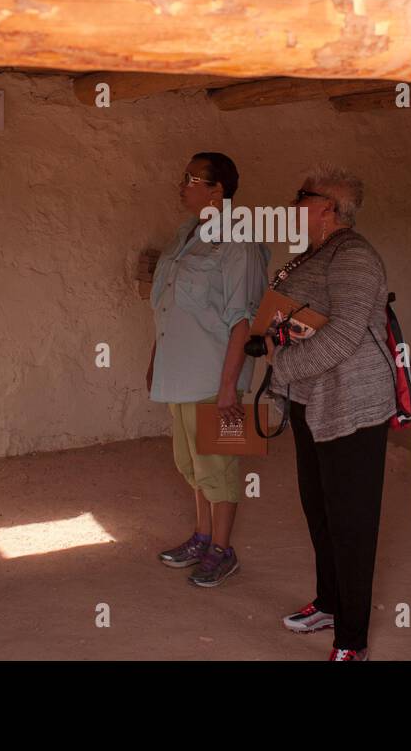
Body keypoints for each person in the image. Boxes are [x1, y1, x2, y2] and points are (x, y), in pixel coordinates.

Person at [262, 164, 396, 660]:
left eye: (301, 197)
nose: (293, 205)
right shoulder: (313, 254)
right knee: (319, 510)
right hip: (311, 400)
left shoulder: (355, 256)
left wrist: (285, 364)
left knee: (352, 521)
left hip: (351, 404)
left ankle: (352, 640)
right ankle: (330, 603)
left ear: (328, 209)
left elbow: (343, 335)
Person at [147, 152, 269, 588]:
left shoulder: (241, 239)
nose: (182, 184)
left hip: (216, 375)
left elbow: (244, 319)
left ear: (218, 190)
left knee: (219, 467)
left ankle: (223, 548)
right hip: (179, 371)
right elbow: (169, 307)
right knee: (192, 464)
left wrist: (228, 388)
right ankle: (202, 536)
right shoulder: (188, 233)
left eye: (191, 178)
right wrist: (154, 361)